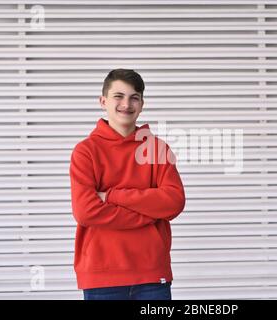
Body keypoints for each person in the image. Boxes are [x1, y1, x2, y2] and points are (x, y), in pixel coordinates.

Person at [69, 68, 186, 300]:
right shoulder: (86, 152)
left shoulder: (157, 149)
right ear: (103, 101)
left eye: (134, 97)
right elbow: (85, 211)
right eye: (118, 96)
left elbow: (173, 202)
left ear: (142, 104)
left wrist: (112, 196)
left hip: (152, 276)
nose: (126, 104)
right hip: (102, 276)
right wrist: (151, 214)